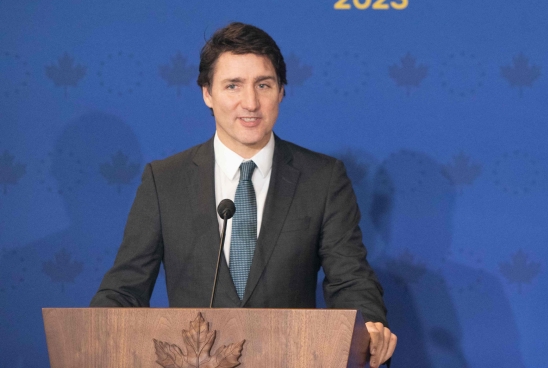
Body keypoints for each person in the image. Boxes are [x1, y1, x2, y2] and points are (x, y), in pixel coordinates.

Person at [92, 23, 397, 367]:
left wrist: (370, 325)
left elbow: (350, 278)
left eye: (263, 85)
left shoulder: (323, 179)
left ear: (281, 91)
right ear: (207, 93)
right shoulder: (165, 181)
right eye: (233, 85)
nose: (250, 103)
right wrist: (94, 334)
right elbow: (126, 287)